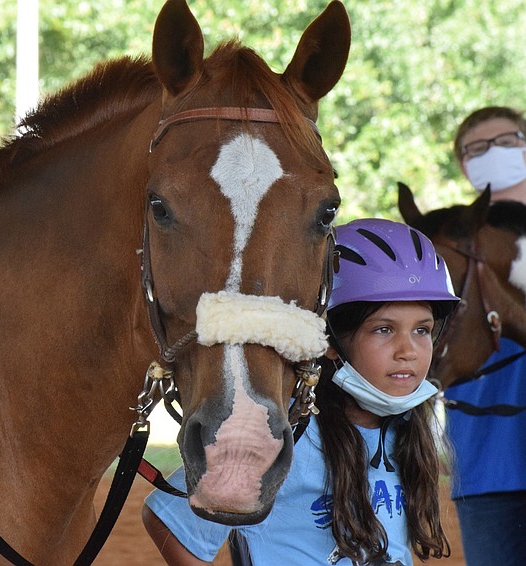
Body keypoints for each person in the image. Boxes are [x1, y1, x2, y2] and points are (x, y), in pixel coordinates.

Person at [142, 218, 459, 565]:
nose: (408, 350)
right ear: (331, 343)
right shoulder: (286, 434)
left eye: (422, 330)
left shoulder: (404, 429)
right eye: (384, 329)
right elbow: (169, 521)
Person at [445, 106, 526, 565]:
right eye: (477, 149)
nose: (492, 154)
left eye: (506, 141)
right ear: (464, 166)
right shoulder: (446, 248)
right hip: (486, 462)